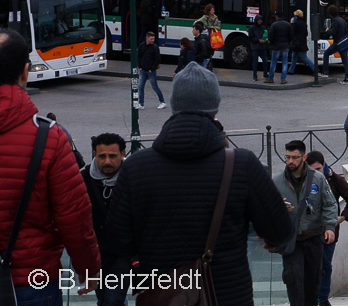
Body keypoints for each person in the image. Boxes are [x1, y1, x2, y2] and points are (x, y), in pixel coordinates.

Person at [106, 62, 292, 306]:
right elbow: (280, 232)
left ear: (174, 105)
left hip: (163, 295)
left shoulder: (135, 167)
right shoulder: (242, 164)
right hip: (226, 296)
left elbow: (117, 240)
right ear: (214, 108)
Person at [1, 29, 101, 304]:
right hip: (32, 280)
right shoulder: (49, 138)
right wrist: (88, 268)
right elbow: (74, 216)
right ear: (25, 72)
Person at [273, 140, 340, 306]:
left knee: (313, 280)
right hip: (291, 239)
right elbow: (266, 208)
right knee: (293, 279)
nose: (290, 161)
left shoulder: (317, 178)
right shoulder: (277, 181)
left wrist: (330, 227)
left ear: (303, 157)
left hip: (313, 237)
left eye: (294, 157)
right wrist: (279, 209)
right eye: (287, 157)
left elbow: (330, 204)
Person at [307, 150, 348, 306]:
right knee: (310, 266)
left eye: (317, 169)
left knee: (325, 266)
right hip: (309, 231)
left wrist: (342, 218)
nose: (315, 173)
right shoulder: (303, 180)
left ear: (323, 165)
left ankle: (322, 299)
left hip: (329, 232)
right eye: (311, 170)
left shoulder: (335, 180)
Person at [82, 133, 128, 306]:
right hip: (96, 253)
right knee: (105, 299)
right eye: (102, 156)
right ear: (94, 154)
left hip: (124, 252)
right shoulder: (83, 179)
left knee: (112, 299)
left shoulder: (132, 177)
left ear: (123, 153)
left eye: (112, 156)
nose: (107, 161)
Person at [321, 5, 348, 82]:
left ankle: (325, 72)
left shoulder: (335, 20)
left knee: (326, 53)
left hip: (338, 42)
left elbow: (333, 32)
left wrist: (327, 30)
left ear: (331, 13)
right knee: (345, 60)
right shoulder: (342, 20)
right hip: (344, 42)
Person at [136, 30, 166, 109]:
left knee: (155, 87)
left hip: (150, 71)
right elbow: (139, 56)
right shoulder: (142, 46)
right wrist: (140, 66)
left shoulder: (155, 47)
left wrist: (152, 68)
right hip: (143, 70)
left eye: (153, 39)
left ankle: (162, 101)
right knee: (140, 87)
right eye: (151, 39)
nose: (153, 40)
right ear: (147, 38)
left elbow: (157, 59)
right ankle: (141, 103)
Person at [266, 11, 293, 84]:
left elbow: (271, 36)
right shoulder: (288, 25)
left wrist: (271, 43)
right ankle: (283, 79)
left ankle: (270, 78)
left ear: (276, 16)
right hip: (285, 45)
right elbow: (291, 36)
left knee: (273, 62)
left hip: (276, 46)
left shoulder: (274, 25)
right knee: (285, 62)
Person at [289, 9, 317, 76]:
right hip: (302, 42)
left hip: (297, 43)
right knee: (294, 56)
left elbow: (291, 31)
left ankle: (315, 69)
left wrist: (291, 23)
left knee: (303, 57)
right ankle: (291, 70)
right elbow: (306, 33)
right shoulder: (304, 23)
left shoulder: (295, 23)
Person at [248, 13, 268, 81]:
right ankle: (255, 75)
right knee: (256, 62)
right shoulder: (252, 28)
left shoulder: (262, 27)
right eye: (259, 20)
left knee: (264, 61)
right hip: (256, 47)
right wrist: (259, 40)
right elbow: (250, 38)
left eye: (261, 20)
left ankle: (264, 73)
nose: (260, 21)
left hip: (259, 46)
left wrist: (265, 40)